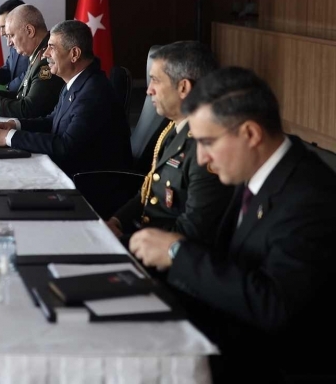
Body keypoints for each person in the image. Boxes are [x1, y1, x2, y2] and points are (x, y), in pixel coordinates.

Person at [129, 67, 336, 381]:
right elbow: (227, 261)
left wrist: (177, 253)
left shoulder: (311, 197)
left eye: (207, 142)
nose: (201, 158)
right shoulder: (254, 171)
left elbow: (275, 306)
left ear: (250, 134)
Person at [107, 41, 232, 244]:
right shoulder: (173, 128)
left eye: (155, 81)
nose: (148, 90)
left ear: (183, 87)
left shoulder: (205, 148)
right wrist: (116, 222)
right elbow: (148, 192)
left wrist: (126, 242)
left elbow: (192, 232)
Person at [0, 20, 132, 177]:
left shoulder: (93, 93)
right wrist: (15, 125)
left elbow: (66, 146)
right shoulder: (77, 81)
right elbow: (52, 121)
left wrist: (10, 137)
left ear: (74, 54)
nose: (45, 54)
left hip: (90, 181)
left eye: (52, 47)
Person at [0, 4, 63, 119]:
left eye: (11, 35)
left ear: (29, 31)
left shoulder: (48, 58)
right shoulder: (38, 52)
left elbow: (29, 109)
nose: (9, 43)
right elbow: (21, 96)